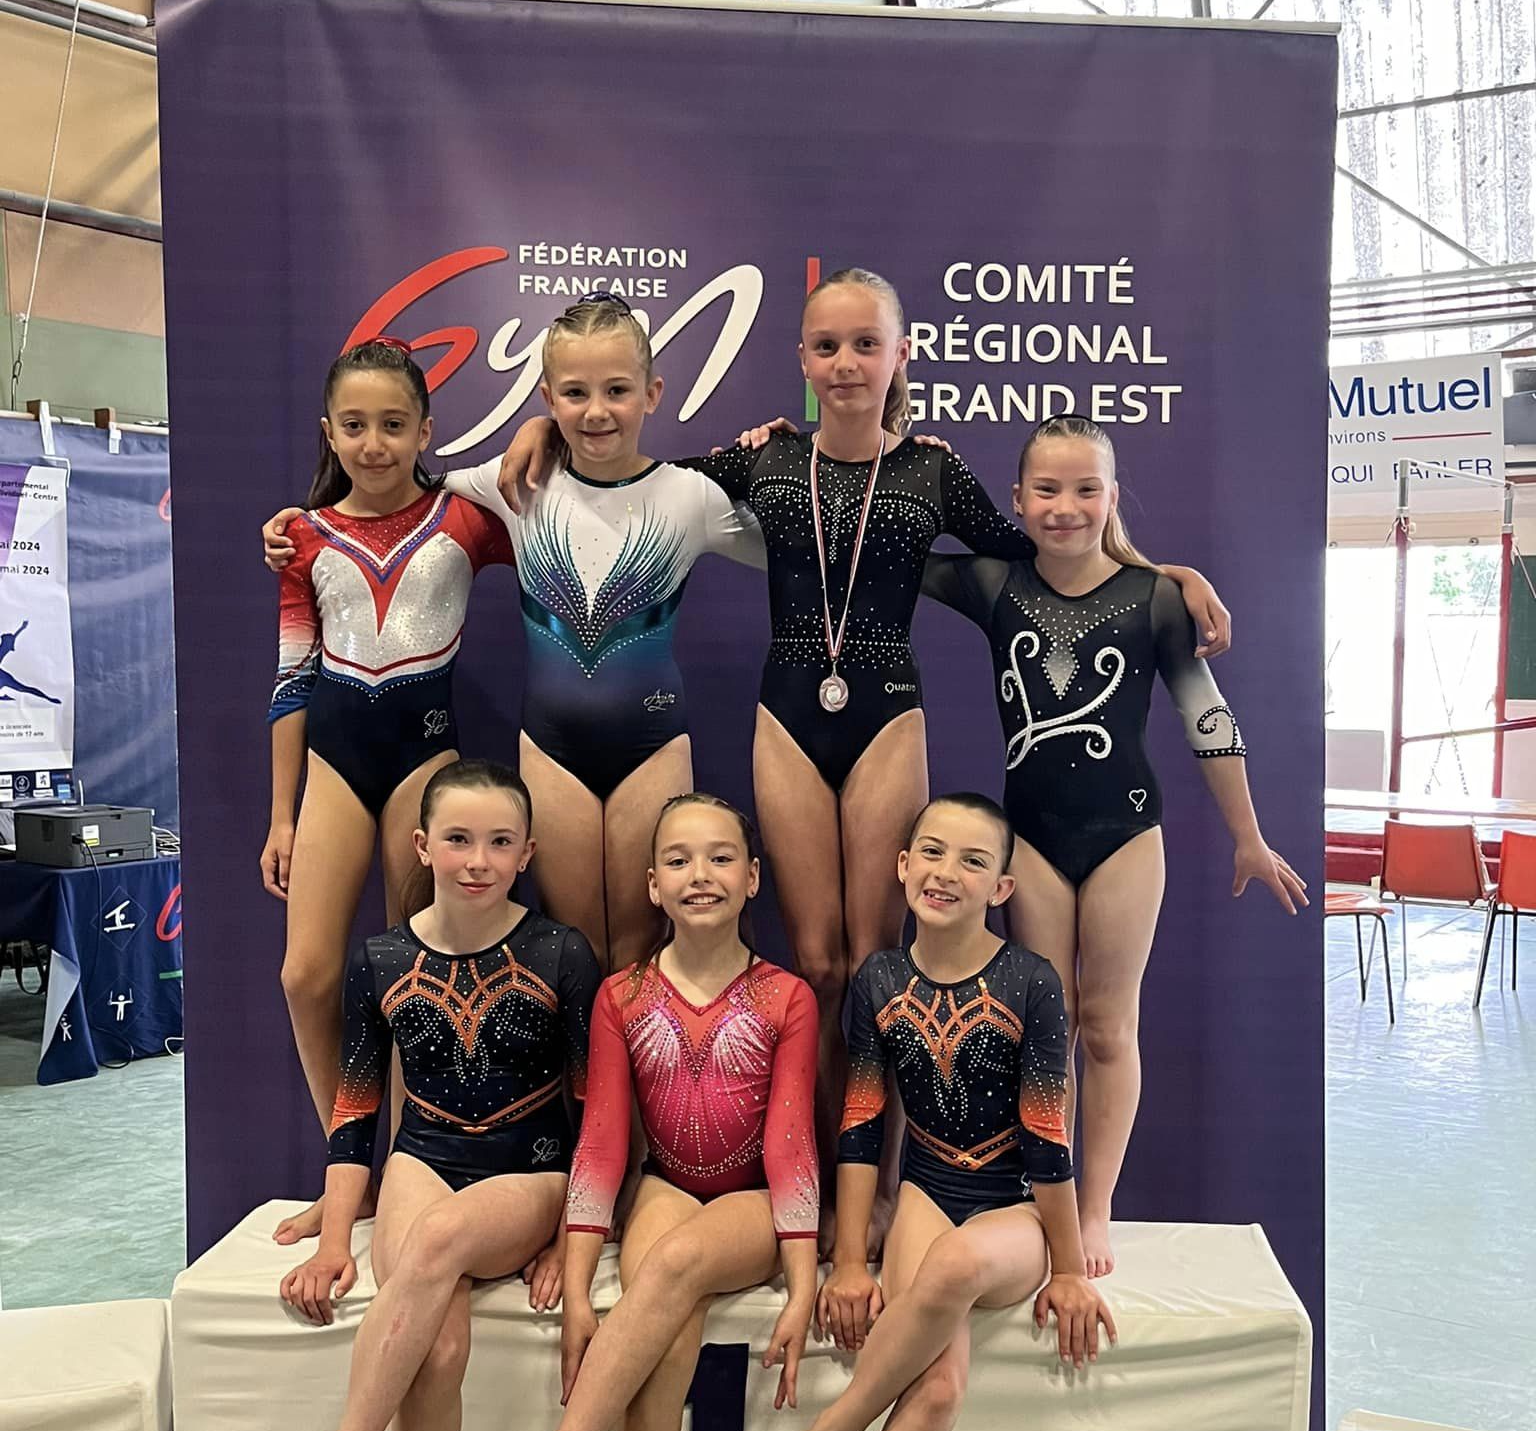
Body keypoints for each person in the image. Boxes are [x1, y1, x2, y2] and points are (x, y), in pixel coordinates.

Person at [493, 269, 1229, 1162]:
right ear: (802, 359)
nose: (846, 363)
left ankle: (877, 1182)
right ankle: (807, 1167)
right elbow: (632, 476)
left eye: (866, 345)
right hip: (787, 716)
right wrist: (541, 427)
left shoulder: (931, 469)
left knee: (879, 964)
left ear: (900, 355)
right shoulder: (765, 460)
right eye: (828, 346)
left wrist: (1159, 573)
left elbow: (1042, 553)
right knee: (818, 963)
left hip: (887, 716)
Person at [748, 792, 1116, 1431]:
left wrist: (1066, 1267)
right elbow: (863, 1126)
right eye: (932, 853)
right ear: (903, 866)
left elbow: (1048, 1137)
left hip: (1016, 1211)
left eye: (973, 860)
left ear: (1003, 887)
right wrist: (851, 1256)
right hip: (927, 1190)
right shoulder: (879, 981)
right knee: (940, 1388)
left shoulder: (1032, 982)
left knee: (953, 1264)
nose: (947, 872)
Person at [443, 793, 821, 1431]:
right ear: (651, 884)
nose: (701, 876)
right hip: (666, 1187)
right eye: (680, 860)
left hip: (750, 1200)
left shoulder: (787, 997)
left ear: (754, 878)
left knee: (679, 1267)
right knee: (664, 1302)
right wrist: (578, 1288)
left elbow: (790, 1145)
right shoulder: (622, 996)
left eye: (721, 858)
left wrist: (804, 1280)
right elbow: (604, 1145)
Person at [260, 295, 766, 976]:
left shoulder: (689, 495)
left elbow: (802, 548)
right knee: (575, 948)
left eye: (617, 391)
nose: (597, 411)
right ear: (548, 396)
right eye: (574, 393)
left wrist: (778, 456)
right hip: (551, 750)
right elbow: (399, 493)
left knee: (645, 949)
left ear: (652, 393)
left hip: (653, 743)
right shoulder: (513, 483)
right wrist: (299, 531)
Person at [923, 417, 1307, 1276]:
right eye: (1046, 491)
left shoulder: (1155, 600)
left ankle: (1095, 1207)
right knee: (1048, 1025)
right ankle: (1051, 1198)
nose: (1065, 507)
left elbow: (1206, 715)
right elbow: (884, 552)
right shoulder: (993, 583)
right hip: (1034, 840)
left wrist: (1247, 834)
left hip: (1126, 835)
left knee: (1106, 1026)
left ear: (1112, 497)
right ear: (1017, 500)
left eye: (1085, 490)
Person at [262, 759, 599, 1431]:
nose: (478, 860)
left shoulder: (562, 953)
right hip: (423, 1158)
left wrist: (574, 1238)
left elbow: (594, 1115)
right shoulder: (380, 960)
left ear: (527, 853)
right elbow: (356, 1114)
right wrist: (338, 1238)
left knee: (442, 1242)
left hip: (529, 1167)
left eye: (499, 843)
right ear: (421, 847)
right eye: (458, 840)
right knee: (439, 1346)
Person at [262, 338, 513, 1242]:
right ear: (330, 432)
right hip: (336, 759)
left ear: (426, 431)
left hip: (425, 758)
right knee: (307, 975)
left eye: (394, 425)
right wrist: (281, 815)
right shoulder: (303, 537)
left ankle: (413, 1168)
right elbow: (292, 679)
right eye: (356, 426)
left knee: (417, 982)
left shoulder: (465, 520)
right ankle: (350, 1168)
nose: (374, 444)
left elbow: (565, 514)